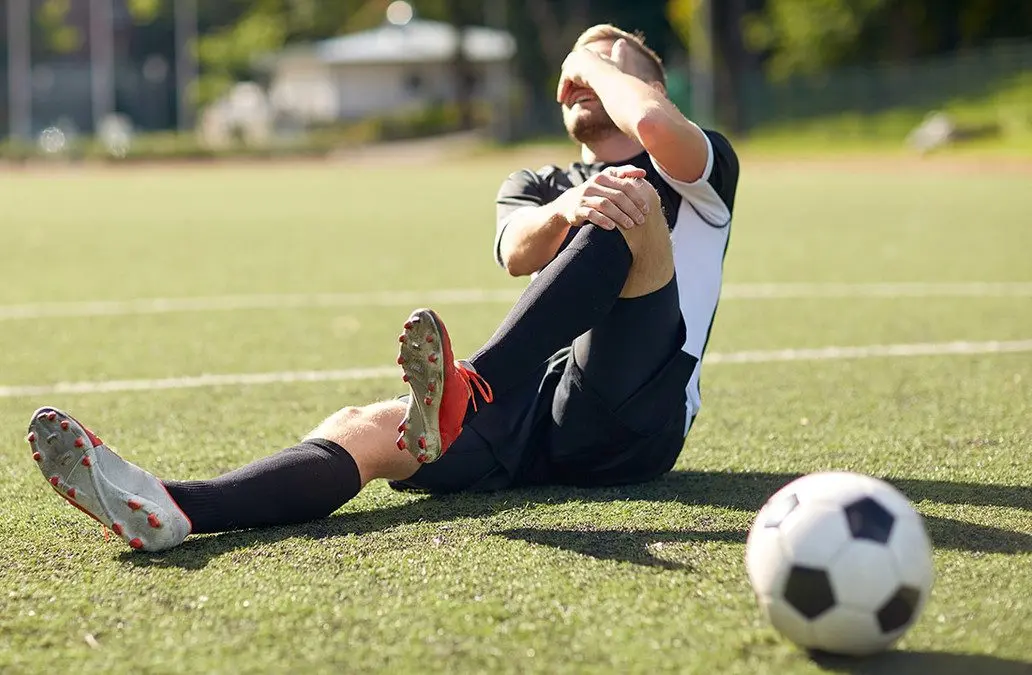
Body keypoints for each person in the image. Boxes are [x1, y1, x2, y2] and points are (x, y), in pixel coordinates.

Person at [25, 25, 739, 552]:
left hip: (638, 417)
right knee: (366, 425)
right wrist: (566, 205)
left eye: (607, 68)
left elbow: (648, 121)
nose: (583, 77)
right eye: (574, 72)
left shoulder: (698, 168)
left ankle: (470, 386)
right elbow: (520, 253)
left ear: (651, 85)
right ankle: (174, 506)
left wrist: (591, 58)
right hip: (537, 412)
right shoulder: (534, 184)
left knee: (629, 199)